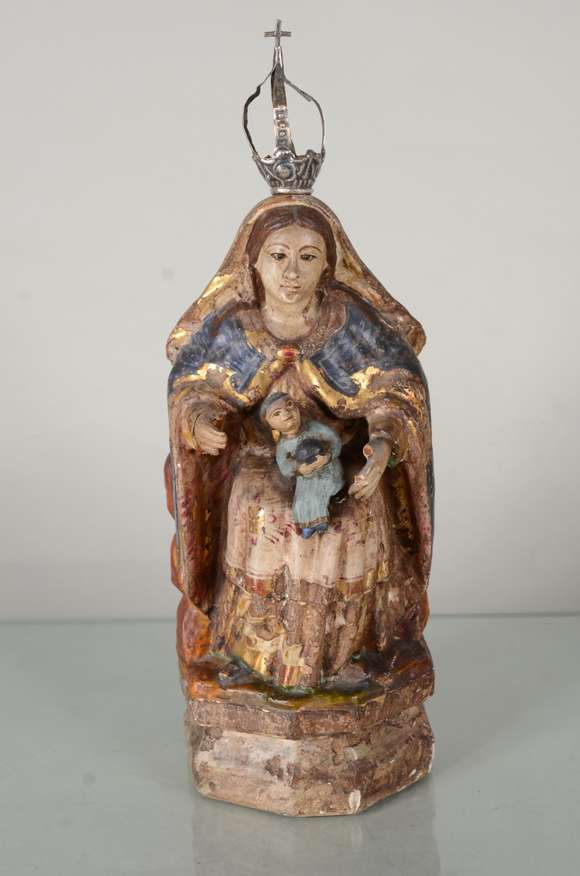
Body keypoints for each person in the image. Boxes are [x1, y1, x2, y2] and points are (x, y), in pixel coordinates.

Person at [166, 195, 433, 694]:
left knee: (350, 518)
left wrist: (381, 443)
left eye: (308, 257)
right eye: (278, 256)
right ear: (253, 262)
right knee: (265, 514)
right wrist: (198, 421)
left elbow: (396, 391)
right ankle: (256, 657)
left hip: (341, 464)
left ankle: (345, 653)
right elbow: (194, 387)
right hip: (262, 464)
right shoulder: (234, 327)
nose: (292, 272)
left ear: (328, 266)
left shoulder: (348, 323)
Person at [260, 392, 344, 538]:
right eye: (277, 413)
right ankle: (307, 525)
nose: (286, 413)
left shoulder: (314, 428)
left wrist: (327, 457)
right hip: (306, 477)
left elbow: (335, 441)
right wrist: (299, 469)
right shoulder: (283, 445)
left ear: (298, 407)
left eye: (289, 405)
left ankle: (321, 523)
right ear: (270, 424)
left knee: (319, 494)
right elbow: (285, 467)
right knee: (301, 501)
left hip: (327, 469)